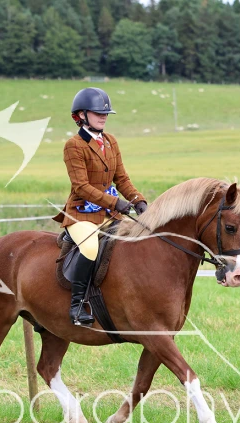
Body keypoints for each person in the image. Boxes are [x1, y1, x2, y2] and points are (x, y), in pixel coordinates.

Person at [52, 87, 147, 326]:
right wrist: (115, 202)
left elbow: (121, 178)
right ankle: (77, 306)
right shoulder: (74, 145)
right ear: (81, 115)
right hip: (81, 214)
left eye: (105, 113)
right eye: (98, 113)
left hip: (108, 213)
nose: (103, 117)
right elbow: (81, 186)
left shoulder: (110, 141)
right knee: (90, 248)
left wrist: (139, 201)